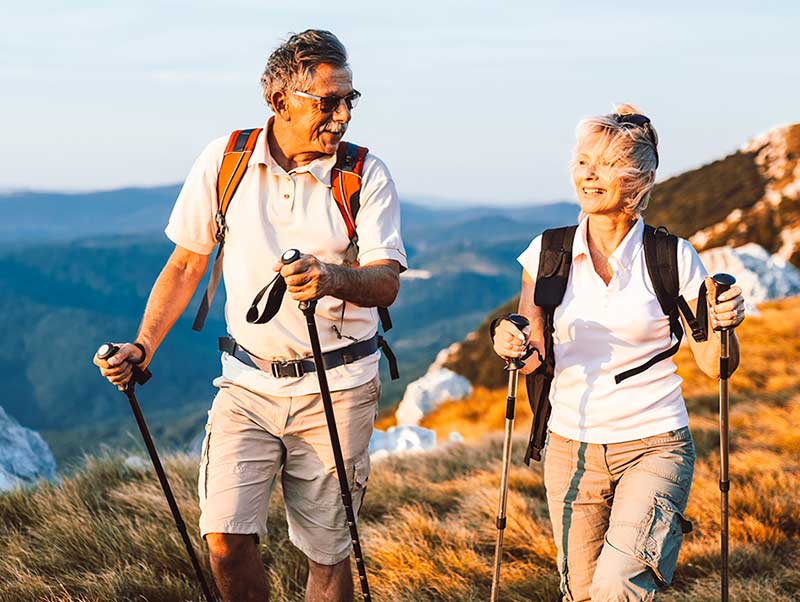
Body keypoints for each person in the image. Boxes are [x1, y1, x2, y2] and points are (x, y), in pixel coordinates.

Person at [94, 29, 406, 602]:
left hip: (339, 387)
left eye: (349, 101)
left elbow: (386, 282)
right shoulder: (225, 160)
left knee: (327, 553)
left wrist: (331, 276)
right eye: (327, 101)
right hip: (245, 384)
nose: (341, 116)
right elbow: (187, 263)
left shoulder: (365, 173)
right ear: (279, 100)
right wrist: (142, 348)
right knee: (224, 539)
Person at [492, 104, 745, 601]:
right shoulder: (547, 253)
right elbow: (534, 351)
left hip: (655, 443)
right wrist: (513, 343)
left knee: (618, 586)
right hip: (571, 449)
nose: (589, 174)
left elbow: (714, 363)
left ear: (639, 180)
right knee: (582, 592)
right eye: (583, 161)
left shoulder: (672, 257)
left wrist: (725, 325)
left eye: (605, 164)